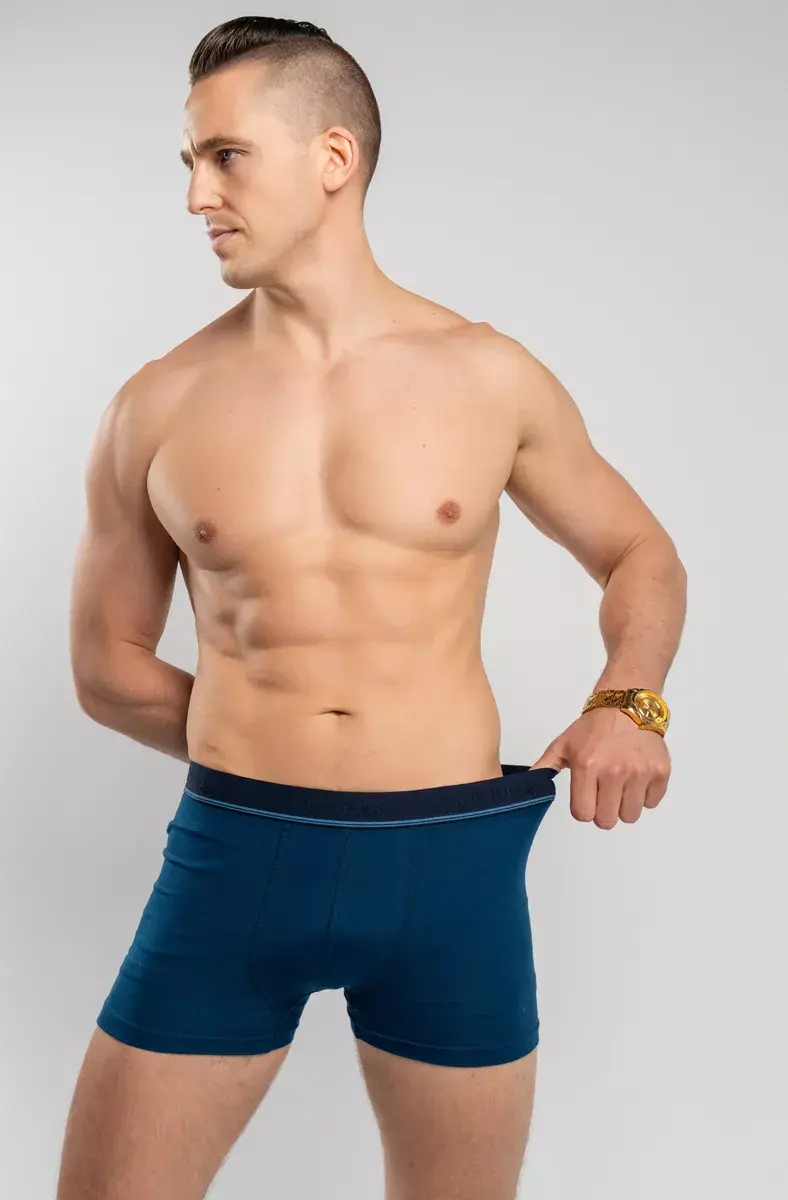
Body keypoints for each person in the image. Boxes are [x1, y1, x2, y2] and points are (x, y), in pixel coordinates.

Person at [56, 15, 687, 1200]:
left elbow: (638, 551)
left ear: (333, 159)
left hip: (450, 866)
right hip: (238, 854)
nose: (196, 195)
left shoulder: (487, 374)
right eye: (188, 163)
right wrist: (269, 734)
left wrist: (629, 702)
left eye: (225, 156)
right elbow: (107, 665)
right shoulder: (157, 404)